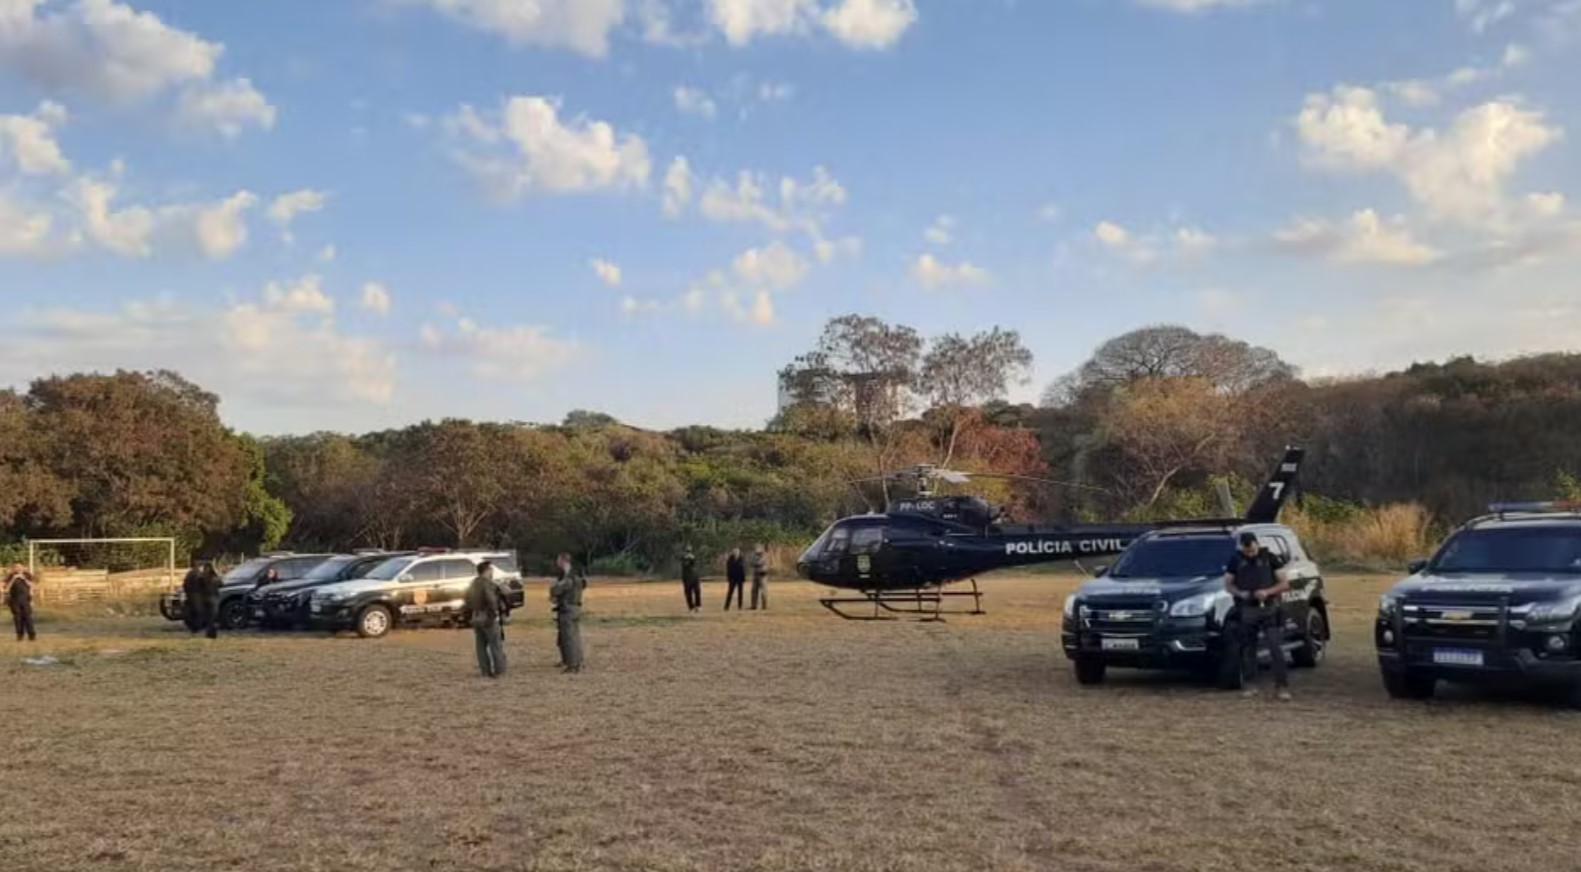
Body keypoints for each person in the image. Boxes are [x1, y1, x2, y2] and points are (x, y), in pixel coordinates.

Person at [1224, 531, 1293, 701]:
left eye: (1252, 550)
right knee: (1248, 648)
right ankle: (1250, 685)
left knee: (1275, 648)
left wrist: (1268, 592)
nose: (1250, 554)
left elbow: (1285, 584)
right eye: (1247, 551)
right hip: (1247, 609)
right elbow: (1228, 585)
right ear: (1242, 547)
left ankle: (1282, 687)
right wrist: (1240, 593)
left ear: (1257, 544)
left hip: (1269, 608)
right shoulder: (1235, 560)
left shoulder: (1270, 558)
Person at [465, 561, 505, 678]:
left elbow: (467, 600)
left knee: (481, 646)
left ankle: (485, 670)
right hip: (487, 617)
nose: (492, 572)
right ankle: (499, 669)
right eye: (491, 570)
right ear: (486, 571)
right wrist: (494, 613)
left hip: (476, 616)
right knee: (495, 645)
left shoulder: (473, 583)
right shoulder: (487, 584)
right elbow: (491, 600)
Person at [550, 553, 586, 673]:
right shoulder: (578, 576)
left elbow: (557, 589)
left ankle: (572, 665)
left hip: (567, 609)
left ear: (563, 561)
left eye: (558, 561)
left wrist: (554, 589)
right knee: (575, 637)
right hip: (575, 608)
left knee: (568, 638)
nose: (557, 563)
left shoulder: (568, 578)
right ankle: (578, 661)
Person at [190, 561, 221, 640]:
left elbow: (198, 586)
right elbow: (221, 584)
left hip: (204, 598)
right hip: (213, 598)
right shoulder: (215, 576)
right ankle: (211, 633)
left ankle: (204, 631)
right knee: (212, 617)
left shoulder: (201, 577)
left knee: (207, 616)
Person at [5, 564, 36, 642]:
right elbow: (7, 589)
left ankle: (31, 635)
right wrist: (13, 579)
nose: (18, 569)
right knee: (17, 618)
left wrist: (24, 579)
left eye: (20, 567)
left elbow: (32, 586)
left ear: (23, 568)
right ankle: (19, 635)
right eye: (16, 567)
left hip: (25, 599)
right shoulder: (10, 576)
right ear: (14, 569)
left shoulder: (27, 575)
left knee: (28, 617)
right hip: (14, 600)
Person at [680, 548, 701, 614]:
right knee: (688, 594)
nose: (688, 554)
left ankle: (697, 605)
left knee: (697, 592)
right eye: (687, 552)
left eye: (689, 552)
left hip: (694, 578)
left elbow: (693, 561)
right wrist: (686, 558)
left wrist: (690, 558)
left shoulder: (692, 558)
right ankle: (691, 607)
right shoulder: (684, 559)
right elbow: (684, 563)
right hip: (687, 579)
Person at [749, 544, 769, 611]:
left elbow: (759, 563)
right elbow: (751, 562)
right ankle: (753, 605)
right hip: (755, 574)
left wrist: (754, 563)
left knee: (763, 591)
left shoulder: (765, 555)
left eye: (759, 548)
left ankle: (764, 606)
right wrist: (754, 563)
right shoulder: (754, 555)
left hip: (762, 575)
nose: (757, 550)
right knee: (754, 590)